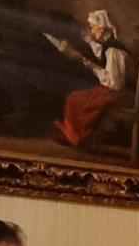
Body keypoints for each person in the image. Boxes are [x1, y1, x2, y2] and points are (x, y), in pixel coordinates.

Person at [53, 9, 128, 148]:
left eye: (93, 27)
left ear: (103, 29)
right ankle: (76, 135)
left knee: (73, 99)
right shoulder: (109, 45)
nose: (91, 31)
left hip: (110, 93)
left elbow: (114, 82)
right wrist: (90, 43)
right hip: (108, 89)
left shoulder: (114, 50)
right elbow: (101, 54)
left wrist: (89, 64)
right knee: (75, 95)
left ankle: (77, 138)